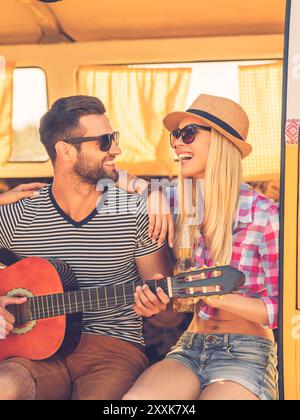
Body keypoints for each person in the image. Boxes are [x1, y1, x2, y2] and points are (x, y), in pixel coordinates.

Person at [0, 95, 171, 400]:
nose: (116, 149)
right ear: (65, 150)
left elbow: (169, 314)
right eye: (104, 142)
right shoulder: (18, 214)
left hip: (111, 352)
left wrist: (160, 309)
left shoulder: (134, 213)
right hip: (32, 353)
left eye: (114, 138)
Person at [123, 94, 279, 401]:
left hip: (247, 353)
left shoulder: (265, 216)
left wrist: (217, 296)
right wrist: (146, 189)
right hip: (191, 345)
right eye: (175, 136)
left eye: (188, 133)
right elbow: (106, 177)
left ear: (221, 142)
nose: (178, 144)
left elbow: (278, 310)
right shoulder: (176, 201)